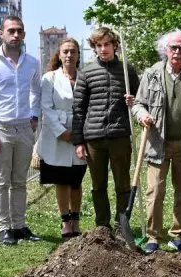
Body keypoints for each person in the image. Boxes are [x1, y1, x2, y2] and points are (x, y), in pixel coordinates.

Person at [132, 30, 181, 253]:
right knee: (155, 192)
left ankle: (178, 235)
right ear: (166, 50)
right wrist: (141, 115)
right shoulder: (152, 74)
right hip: (158, 143)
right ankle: (153, 237)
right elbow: (138, 103)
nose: (177, 51)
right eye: (173, 47)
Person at [72, 27, 139, 236]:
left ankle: (122, 226)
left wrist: (133, 100)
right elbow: (78, 108)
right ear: (94, 48)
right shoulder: (86, 72)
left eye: (107, 44)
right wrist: (79, 142)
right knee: (97, 185)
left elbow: (140, 99)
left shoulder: (128, 71)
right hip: (94, 138)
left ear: (115, 45)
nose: (103, 49)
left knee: (123, 184)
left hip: (119, 135)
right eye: (99, 46)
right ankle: (102, 226)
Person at [0, 16, 41, 245]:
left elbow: (36, 91)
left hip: (24, 127)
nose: (15, 35)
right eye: (11, 31)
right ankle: (3, 227)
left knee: (19, 180)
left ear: (24, 34)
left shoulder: (32, 62)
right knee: (1, 180)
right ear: (1, 33)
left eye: (19, 31)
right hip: (1, 127)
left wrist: (34, 116)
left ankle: (18, 226)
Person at [37, 38, 88, 239]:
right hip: (57, 136)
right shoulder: (49, 78)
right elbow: (46, 108)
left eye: (73, 51)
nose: (69, 55)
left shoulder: (84, 77)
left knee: (76, 180)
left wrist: (79, 134)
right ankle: (65, 221)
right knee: (62, 181)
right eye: (65, 51)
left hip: (80, 134)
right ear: (59, 54)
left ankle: (76, 219)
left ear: (78, 55)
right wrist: (62, 132)